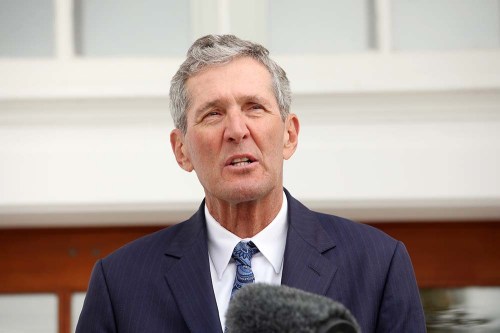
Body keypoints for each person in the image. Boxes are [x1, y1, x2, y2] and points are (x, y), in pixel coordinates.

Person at [76, 35, 426, 333]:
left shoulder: (378, 264)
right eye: (213, 113)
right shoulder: (120, 283)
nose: (237, 130)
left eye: (254, 107)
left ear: (289, 135)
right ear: (181, 150)